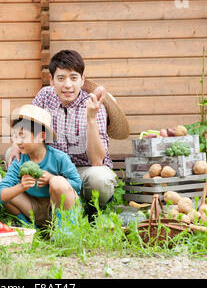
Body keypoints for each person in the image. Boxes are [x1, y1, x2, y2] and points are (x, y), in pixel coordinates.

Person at [7, 50, 129, 217]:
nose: (67, 85)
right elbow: (27, 124)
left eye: (73, 78)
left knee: (99, 178)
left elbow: (96, 161)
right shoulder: (45, 96)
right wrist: (15, 145)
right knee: (12, 154)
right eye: (61, 78)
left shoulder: (93, 105)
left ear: (82, 80)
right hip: (52, 166)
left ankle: (91, 213)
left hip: (83, 170)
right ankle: (43, 208)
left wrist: (91, 118)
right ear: (51, 80)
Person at [0, 104, 82, 227]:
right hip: (34, 208)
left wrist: (51, 179)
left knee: (58, 181)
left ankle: (64, 228)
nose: (18, 141)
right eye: (15, 136)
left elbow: (77, 184)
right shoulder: (19, 161)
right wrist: (21, 187)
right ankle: (31, 228)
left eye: (23, 135)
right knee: (8, 194)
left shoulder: (59, 157)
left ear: (41, 136)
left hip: (57, 207)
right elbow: (0, 196)